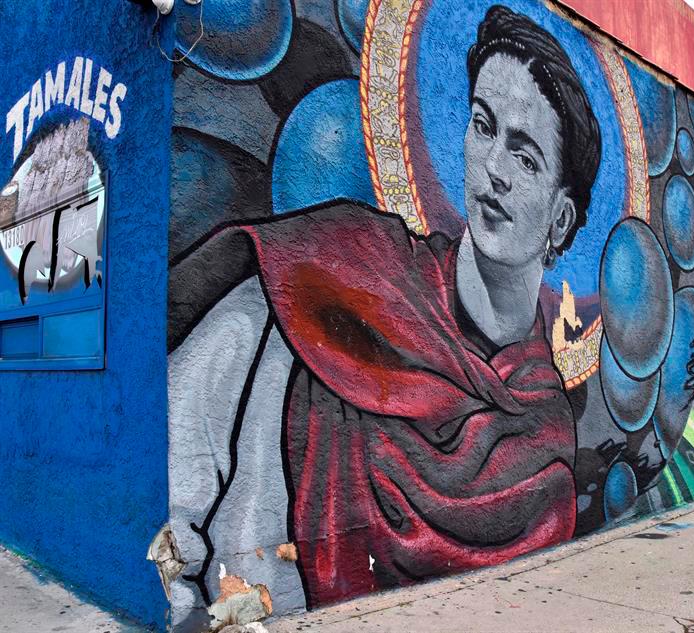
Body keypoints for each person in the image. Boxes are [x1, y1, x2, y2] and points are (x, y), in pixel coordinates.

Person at [166, 4, 601, 623]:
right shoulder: (342, 275)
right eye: (483, 127)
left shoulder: (545, 432)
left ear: (560, 220)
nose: (496, 169)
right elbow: (177, 485)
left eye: (527, 157)